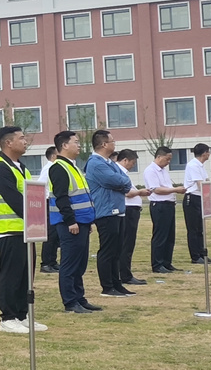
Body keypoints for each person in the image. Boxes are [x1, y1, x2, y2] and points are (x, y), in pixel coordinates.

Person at [0, 126, 44, 334]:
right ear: (8, 142)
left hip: (28, 230)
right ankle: (8, 317)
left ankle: (23, 314)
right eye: (21, 138)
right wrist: (35, 215)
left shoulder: (21, 167)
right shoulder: (0, 169)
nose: (25, 141)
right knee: (11, 275)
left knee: (26, 276)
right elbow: (16, 201)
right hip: (10, 230)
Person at [47, 130, 98, 314]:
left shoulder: (73, 166)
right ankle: (70, 301)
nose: (79, 145)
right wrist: (70, 221)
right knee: (69, 263)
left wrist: (87, 221)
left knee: (80, 262)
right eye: (76, 142)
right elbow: (62, 198)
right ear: (64, 145)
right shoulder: (59, 167)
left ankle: (79, 297)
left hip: (82, 222)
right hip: (70, 224)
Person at [84, 130, 134, 299]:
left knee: (117, 249)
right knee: (108, 249)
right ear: (104, 144)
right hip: (106, 212)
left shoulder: (109, 163)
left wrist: (122, 183)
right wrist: (122, 183)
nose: (115, 144)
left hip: (117, 211)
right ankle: (107, 286)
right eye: (112, 141)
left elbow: (125, 180)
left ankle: (117, 284)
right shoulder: (95, 163)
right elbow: (115, 180)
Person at [116, 149, 149, 287]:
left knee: (128, 243)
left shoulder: (122, 173)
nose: (132, 165)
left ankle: (125, 273)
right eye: (132, 162)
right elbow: (128, 193)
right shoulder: (119, 173)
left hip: (131, 210)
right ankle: (125, 274)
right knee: (127, 244)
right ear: (125, 160)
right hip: (128, 210)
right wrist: (140, 192)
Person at [144, 146, 179, 273]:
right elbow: (156, 189)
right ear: (159, 157)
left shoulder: (163, 170)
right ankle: (157, 264)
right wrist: (175, 190)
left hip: (169, 204)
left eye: (170, 159)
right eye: (167, 159)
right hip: (159, 205)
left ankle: (166, 262)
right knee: (160, 235)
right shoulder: (151, 170)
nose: (168, 162)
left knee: (170, 236)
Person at [184, 143, 211, 264]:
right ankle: (195, 256)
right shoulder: (193, 165)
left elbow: (206, 181)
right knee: (193, 229)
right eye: (208, 152)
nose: (209, 155)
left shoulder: (201, 166)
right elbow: (200, 184)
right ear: (204, 153)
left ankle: (203, 253)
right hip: (192, 198)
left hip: (200, 197)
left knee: (200, 229)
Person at [37, 146, 61, 273]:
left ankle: (52, 261)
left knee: (56, 234)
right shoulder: (49, 168)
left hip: (54, 202)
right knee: (50, 234)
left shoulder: (55, 167)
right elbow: (41, 185)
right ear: (53, 156)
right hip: (48, 201)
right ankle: (46, 263)